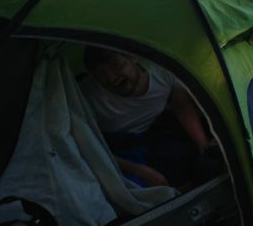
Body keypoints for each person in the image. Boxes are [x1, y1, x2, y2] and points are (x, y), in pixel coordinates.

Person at [80, 47, 219, 189]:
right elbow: (89, 145)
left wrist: (204, 148)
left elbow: (182, 107)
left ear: (132, 57)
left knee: (191, 157)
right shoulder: (86, 97)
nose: (111, 78)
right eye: (100, 75)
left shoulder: (162, 70)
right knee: (128, 186)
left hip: (157, 130)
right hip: (117, 144)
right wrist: (139, 171)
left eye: (116, 65)